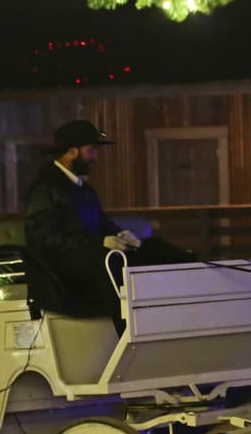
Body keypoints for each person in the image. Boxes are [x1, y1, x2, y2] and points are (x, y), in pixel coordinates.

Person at [22, 119, 194, 321]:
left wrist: (120, 236)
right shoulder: (45, 188)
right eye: (91, 150)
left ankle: (186, 299)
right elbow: (44, 237)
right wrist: (98, 243)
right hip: (64, 265)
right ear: (72, 152)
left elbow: (101, 224)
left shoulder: (83, 189)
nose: (95, 157)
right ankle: (125, 326)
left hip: (95, 253)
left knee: (154, 248)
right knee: (107, 263)